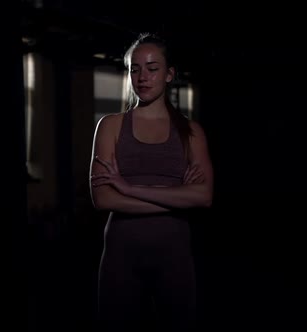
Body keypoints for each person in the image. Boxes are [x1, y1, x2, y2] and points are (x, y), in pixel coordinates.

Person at [89, 32, 214, 332]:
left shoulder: (191, 132)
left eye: (152, 68)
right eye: (135, 68)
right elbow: (103, 199)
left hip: (175, 257)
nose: (142, 77)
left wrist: (130, 188)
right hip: (122, 256)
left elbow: (204, 197)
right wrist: (175, 195)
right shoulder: (110, 126)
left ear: (169, 74)